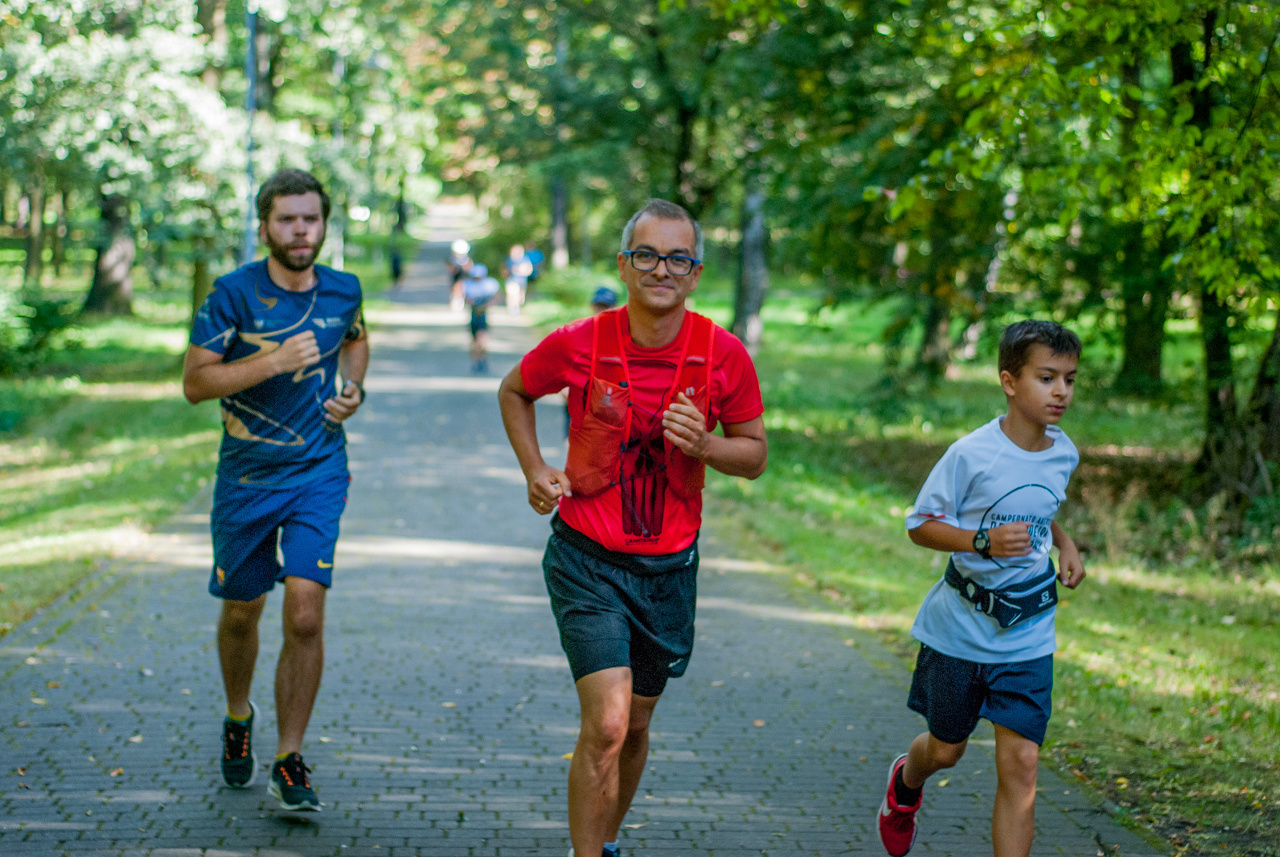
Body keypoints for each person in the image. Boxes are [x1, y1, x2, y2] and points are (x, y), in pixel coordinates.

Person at [497, 199, 768, 857]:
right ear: (624, 264)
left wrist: (704, 445)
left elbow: (754, 454)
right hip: (586, 557)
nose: (661, 268)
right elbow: (514, 389)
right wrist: (535, 468)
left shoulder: (722, 353)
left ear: (696, 272)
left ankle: (608, 838)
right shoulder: (581, 341)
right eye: (647, 254)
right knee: (610, 721)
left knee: (638, 722)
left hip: (670, 569)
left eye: (678, 257)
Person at [182, 169, 369, 813]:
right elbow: (196, 383)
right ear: (265, 224)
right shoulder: (232, 294)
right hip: (246, 477)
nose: (299, 231)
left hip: (319, 471)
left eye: (310, 219)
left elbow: (356, 340)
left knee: (306, 614)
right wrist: (273, 361)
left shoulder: (344, 289)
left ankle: (289, 759)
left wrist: (354, 391)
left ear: (324, 224)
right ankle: (240, 715)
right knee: (242, 610)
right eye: (287, 219)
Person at [877, 320, 1087, 857]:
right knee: (946, 751)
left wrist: (1065, 545)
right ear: (1009, 381)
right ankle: (906, 783)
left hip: (1029, 632)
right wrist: (982, 541)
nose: (1061, 391)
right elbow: (920, 525)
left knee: (1021, 763)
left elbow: (1041, 508)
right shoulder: (970, 454)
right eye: (1047, 377)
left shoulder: (1064, 452)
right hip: (960, 631)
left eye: (1069, 378)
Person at [462, 263, 501, 374]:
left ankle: (482, 360)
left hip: (483, 315)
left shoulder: (490, 284)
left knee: (482, 339)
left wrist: (489, 304)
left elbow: (497, 295)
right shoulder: (468, 284)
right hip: (473, 315)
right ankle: (476, 361)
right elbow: (464, 297)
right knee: (474, 341)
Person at [503, 243, 534, 315]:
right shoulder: (509, 260)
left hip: (522, 280)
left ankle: (517, 307)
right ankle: (512, 308)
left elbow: (529, 269)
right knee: (512, 294)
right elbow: (504, 270)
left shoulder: (525, 259)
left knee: (521, 297)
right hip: (512, 280)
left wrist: (523, 271)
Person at [448, 239, 472, 311]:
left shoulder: (467, 260)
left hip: (463, 277)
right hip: (457, 277)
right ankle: (456, 302)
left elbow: (469, 268)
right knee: (455, 288)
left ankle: (460, 302)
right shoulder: (453, 260)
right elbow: (451, 269)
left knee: (462, 289)